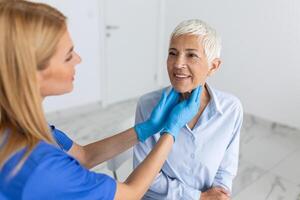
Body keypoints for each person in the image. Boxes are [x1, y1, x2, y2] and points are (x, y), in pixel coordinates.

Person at [0, 1, 202, 199]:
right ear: (30, 73)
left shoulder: (22, 127)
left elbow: (84, 157)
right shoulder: (43, 169)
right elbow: (130, 194)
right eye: (68, 56)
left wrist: (145, 128)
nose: (78, 59)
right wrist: (170, 132)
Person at [133, 19, 243, 200]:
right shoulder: (148, 106)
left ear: (213, 66)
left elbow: (226, 168)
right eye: (172, 53)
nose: (177, 64)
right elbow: (145, 179)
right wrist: (198, 197)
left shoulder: (231, 109)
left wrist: (220, 194)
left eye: (191, 55)